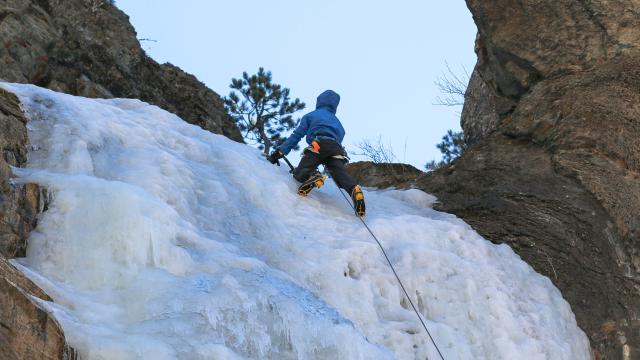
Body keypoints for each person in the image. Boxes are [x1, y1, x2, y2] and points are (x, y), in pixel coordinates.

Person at [267, 90, 365, 217]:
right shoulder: (338, 123)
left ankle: (312, 176)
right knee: (340, 174)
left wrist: (280, 152)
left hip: (317, 145)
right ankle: (354, 189)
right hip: (336, 149)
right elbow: (341, 136)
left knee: (301, 172)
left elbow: (296, 136)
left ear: (319, 102)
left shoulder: (311, 115)